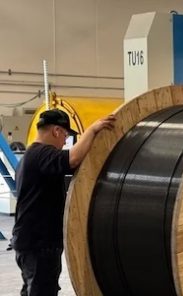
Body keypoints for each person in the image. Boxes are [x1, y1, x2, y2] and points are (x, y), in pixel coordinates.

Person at [10, 108, 115, 296]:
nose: (64, 142)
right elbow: (73, 159)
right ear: (56, 131)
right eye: (65, 136)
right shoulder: (42, 153)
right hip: (39, 244)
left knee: (33, 290)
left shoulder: (30, 157)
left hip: (30, 242)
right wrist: (92, 130)